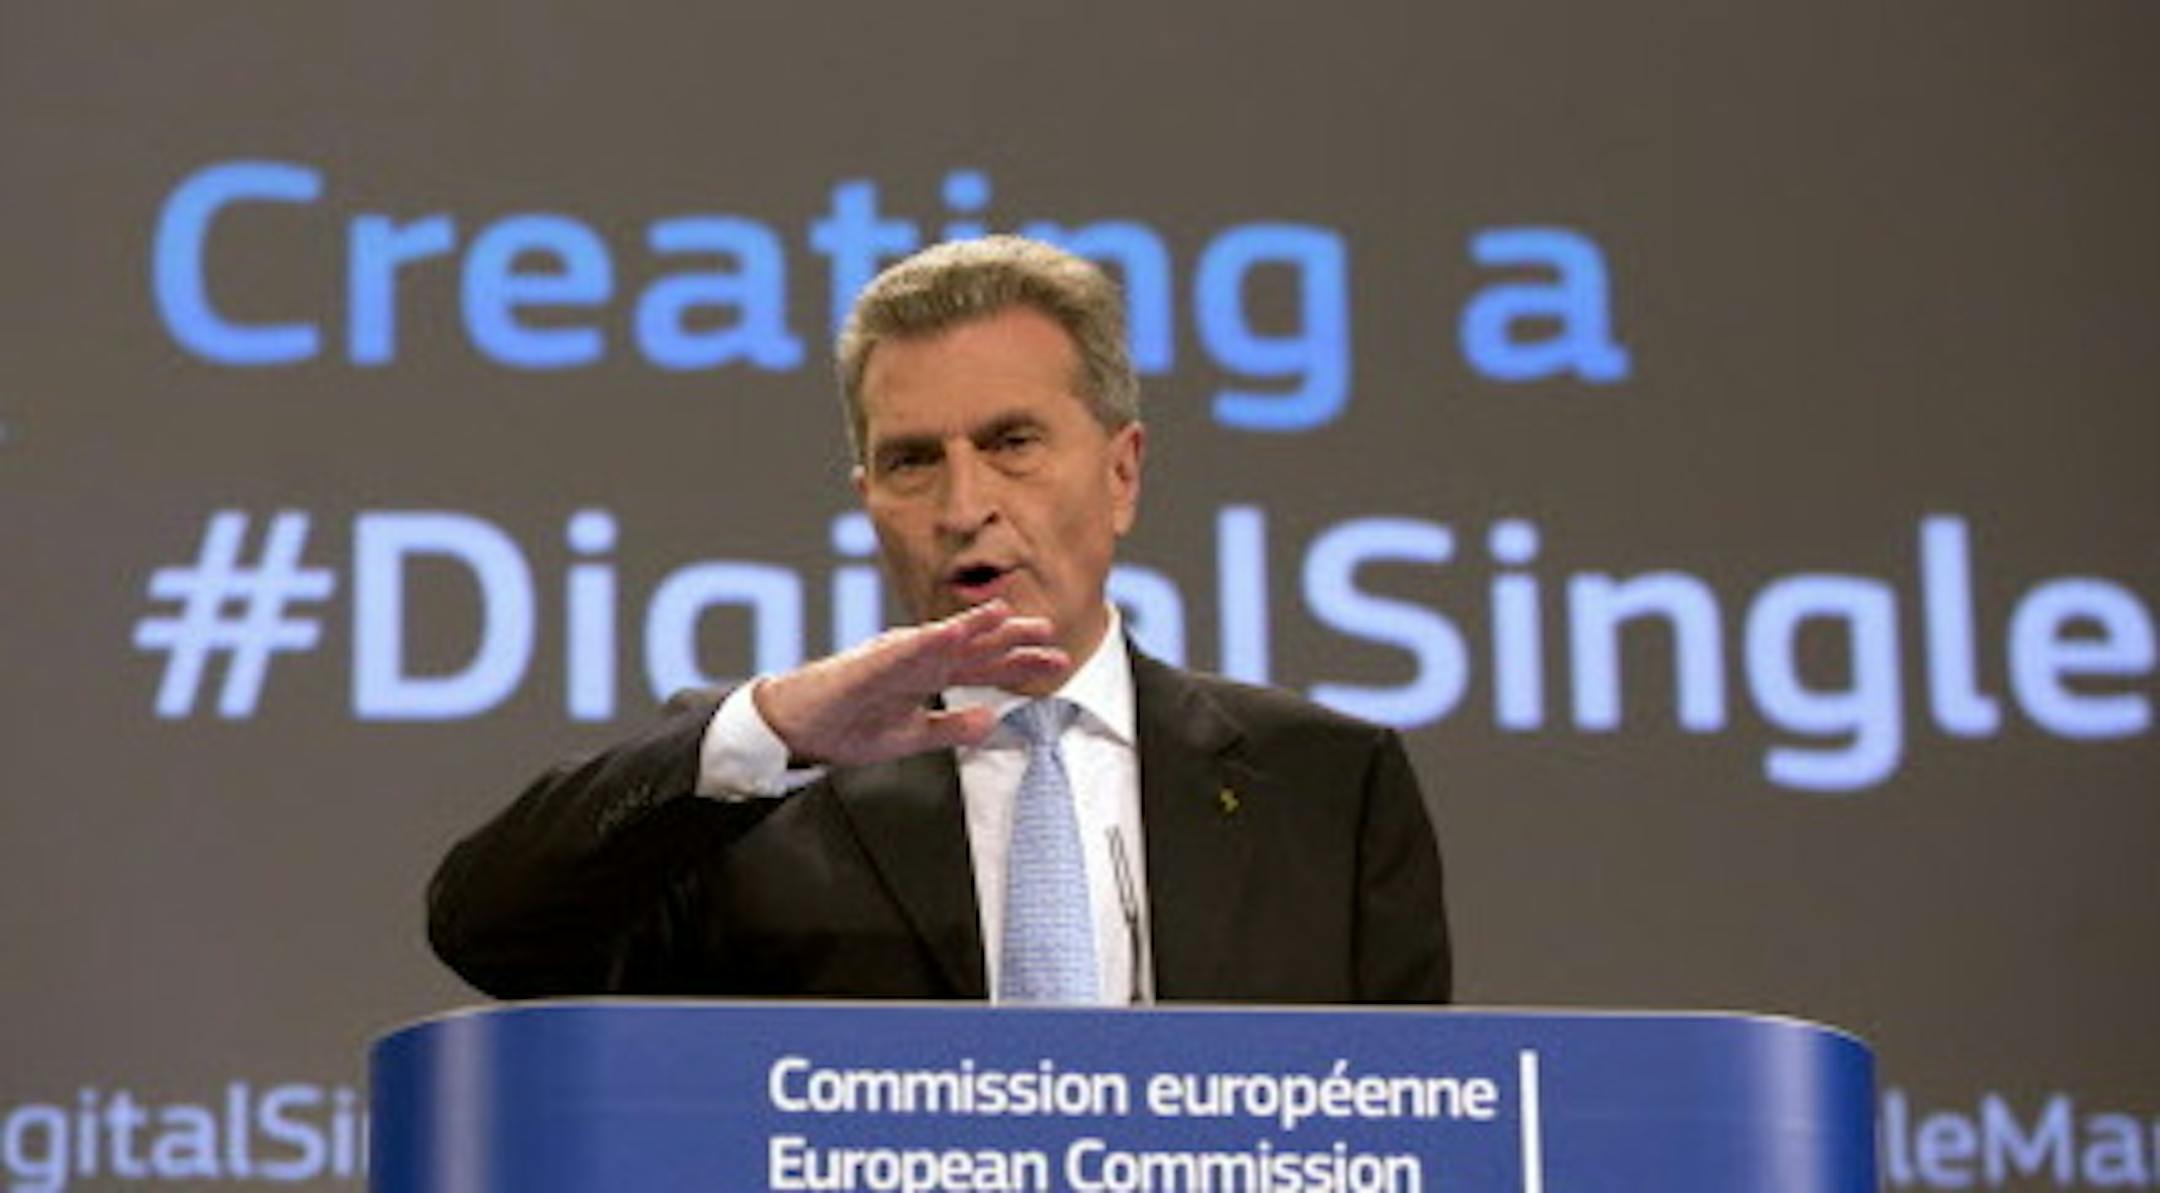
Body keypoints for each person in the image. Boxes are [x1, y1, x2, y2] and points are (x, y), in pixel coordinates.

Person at [428, 236, 1450, 1005]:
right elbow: (491, 933)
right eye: (914, 459)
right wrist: (770, 729)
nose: (963, 505)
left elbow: (1422, 1134)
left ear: (1123, 470)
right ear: (868, 495)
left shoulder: (1329, 786)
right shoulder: (757, 788)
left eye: (1012, 442)